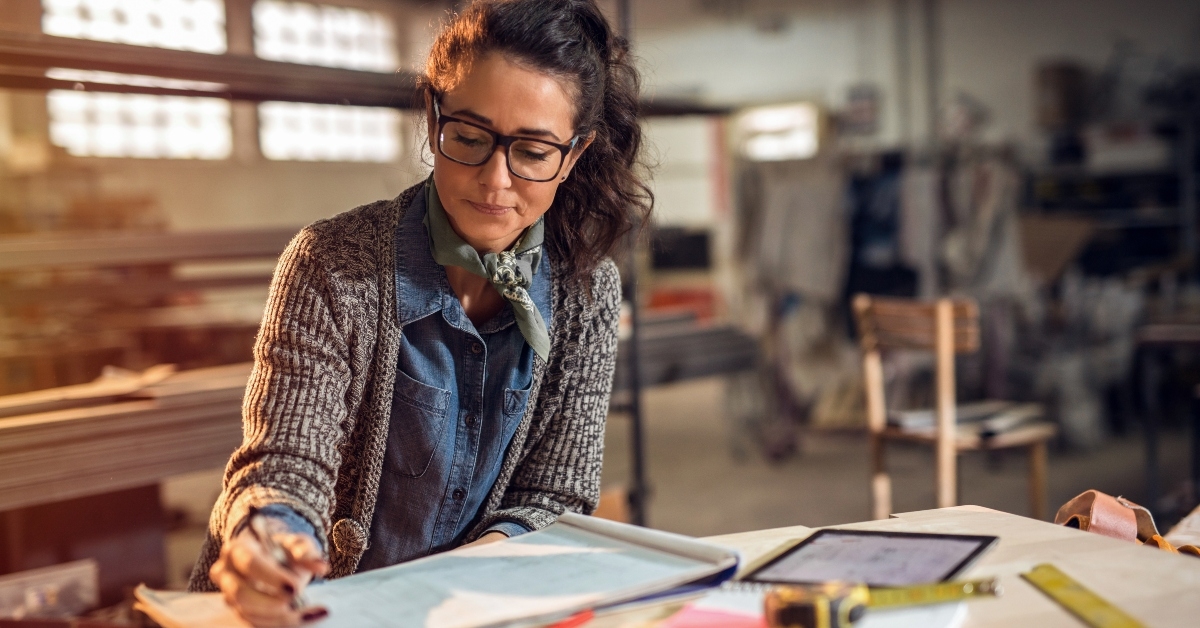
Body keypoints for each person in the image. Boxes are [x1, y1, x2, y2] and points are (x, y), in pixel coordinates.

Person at [186, 0, 651, 624]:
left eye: (534, 153)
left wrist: (475, 574)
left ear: (573, 155)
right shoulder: (333, 265)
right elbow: (286, 460)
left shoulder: (587, 292)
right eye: (469, 137)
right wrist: (269, 536)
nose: (494, 181)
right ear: (434, 119)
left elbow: (554, 493)